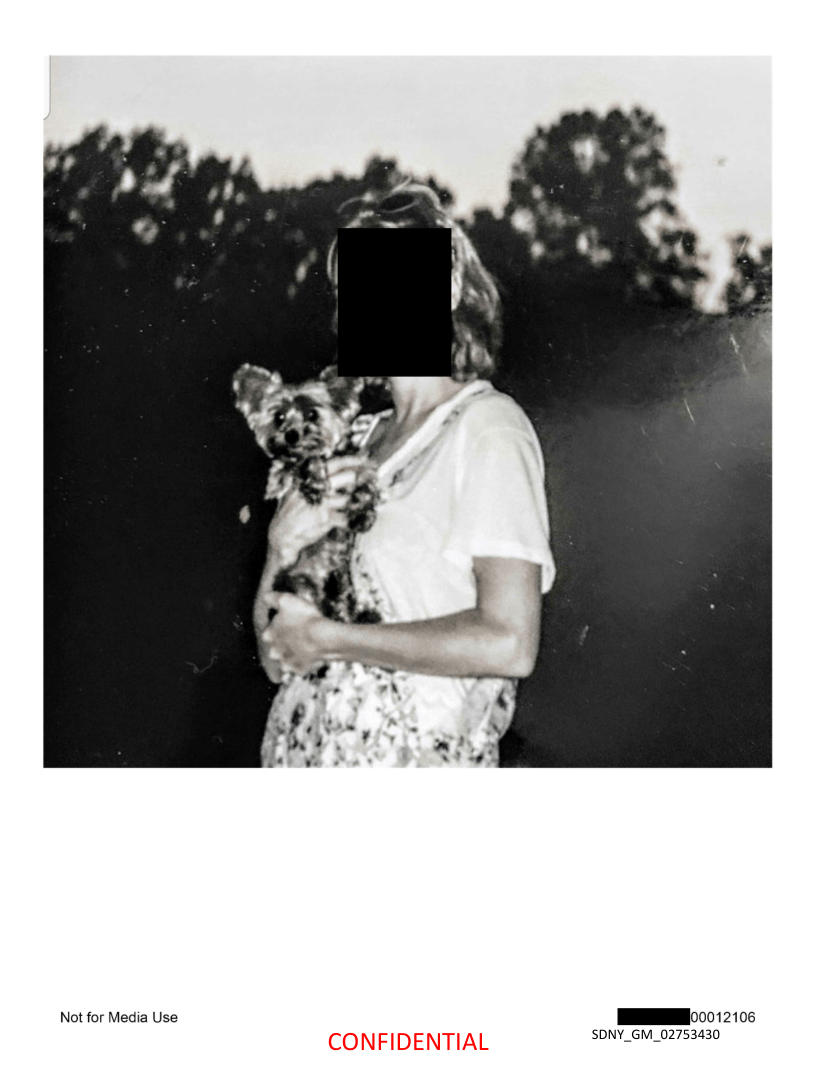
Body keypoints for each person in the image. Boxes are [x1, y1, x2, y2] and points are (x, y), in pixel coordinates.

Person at [254, 182, 556, 767]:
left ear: (447, 287)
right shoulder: (349, 442)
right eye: (351, 287)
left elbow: (510, 642)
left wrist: (336, 640)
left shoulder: (487, 428)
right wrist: (279, 547)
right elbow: (277, 657)